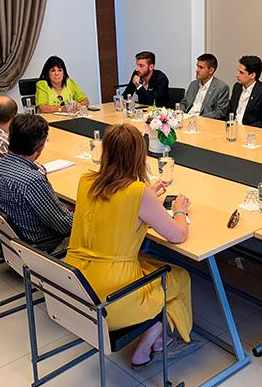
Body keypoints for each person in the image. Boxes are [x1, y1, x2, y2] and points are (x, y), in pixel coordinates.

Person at [65, 123, 199, 370]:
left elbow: (112, 212)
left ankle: (159, 340)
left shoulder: (86, 181)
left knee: (154, 267)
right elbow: (177, 235)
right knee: (180, 277)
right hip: (111, 297)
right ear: (139, 156)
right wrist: (179, 210)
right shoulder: (137, 192)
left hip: (76, 281)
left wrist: (148, 197)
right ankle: (147, 347)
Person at [0, 114, 72, 250]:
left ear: (9, 138)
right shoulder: (32, 181)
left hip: (10, 242)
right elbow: (65, 226)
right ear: (40, 147)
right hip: (41, 246)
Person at [227, 55, 262, 129]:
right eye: (238, 71)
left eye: (241, 72)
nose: (237, 75)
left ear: (252, 75)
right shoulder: (237, 87)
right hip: (232, 129)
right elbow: (230, 111)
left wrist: (244, 129)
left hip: (251, 132)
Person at [179, 53, 229, 119]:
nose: (197, 70)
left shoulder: (221, 87)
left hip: (204, 121)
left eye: (201, 67)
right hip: (187, 118)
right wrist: (180, 112)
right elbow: (184, 103)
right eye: (197, 66)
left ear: (211, 71)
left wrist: (198, 118)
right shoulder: (193, 84)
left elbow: (220, 112)